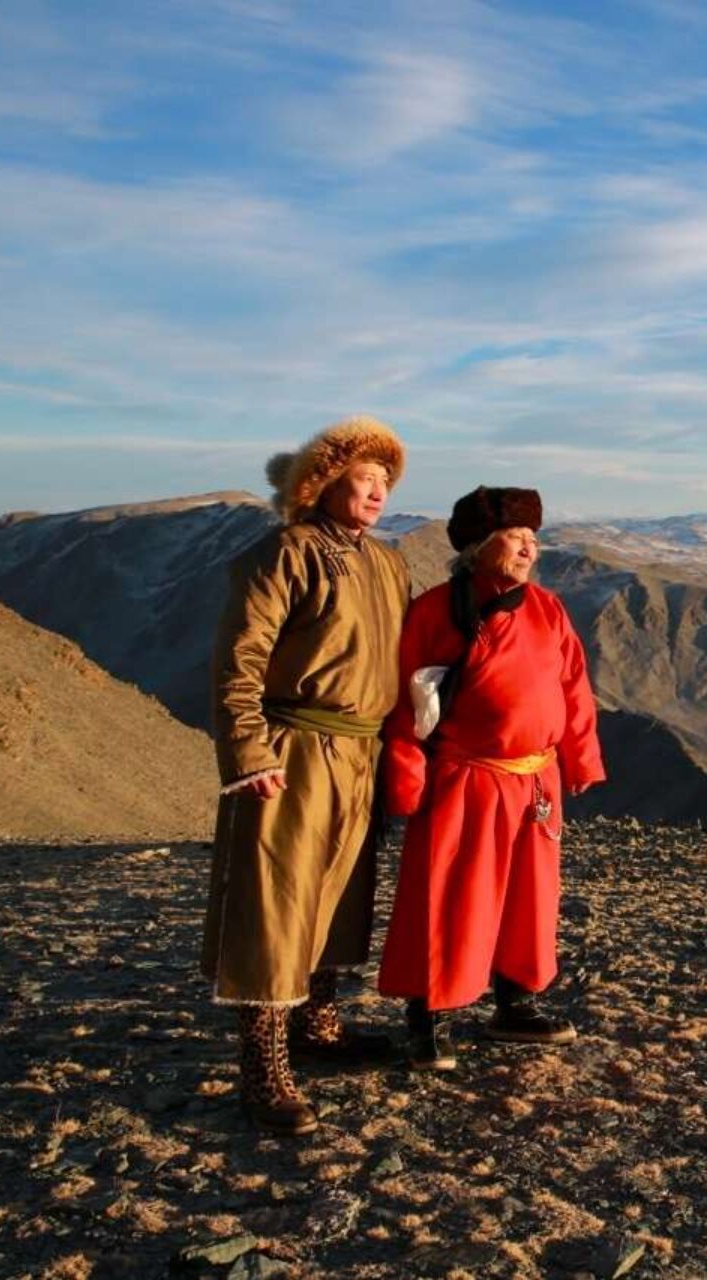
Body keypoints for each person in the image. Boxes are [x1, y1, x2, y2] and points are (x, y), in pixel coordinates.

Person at [202, 415, 412, 1135]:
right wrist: (249, 754)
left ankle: (319, 1027)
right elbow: (239, 662)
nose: (378, 491)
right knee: (276, 900)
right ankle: (263, 1067)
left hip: (362, 754)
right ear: (322, 484)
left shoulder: (388, 563)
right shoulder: (284, 554)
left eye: (385, 481)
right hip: (293, 750)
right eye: (365, 478)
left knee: (340, 894)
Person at [377, 485, 605, 1070]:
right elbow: (405, 700)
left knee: (528, 900)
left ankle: (514, 1003)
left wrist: (579, 758)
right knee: (452, 897)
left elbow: (573, 687)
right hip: (465, 780)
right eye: (516, 537)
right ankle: (428, 1015)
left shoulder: (548, 608)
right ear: (478, 546)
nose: (530, 547)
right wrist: (405, 777)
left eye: (534, 538)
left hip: (535, 783)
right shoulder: (434, 611)